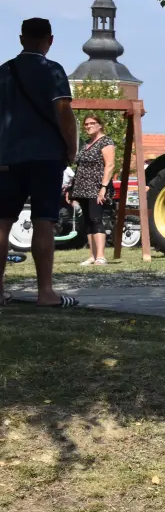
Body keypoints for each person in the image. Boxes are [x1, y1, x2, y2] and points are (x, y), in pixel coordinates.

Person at [0, 18, 79, 307]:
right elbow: (64, 113)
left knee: (2, 224)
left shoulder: (3, 72)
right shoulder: (53, 70)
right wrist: (71, 148)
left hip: (7, 157)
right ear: (50, 40)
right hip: (46, 157)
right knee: (43, 222)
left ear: (21, 39)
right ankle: (45, 292)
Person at [68, 115, 116, 265]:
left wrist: (103, 188)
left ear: (100, 125)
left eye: (92, 123)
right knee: (87, 221)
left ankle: (101, 255)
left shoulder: (106, 141)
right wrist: (71, 188)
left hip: (96, 187)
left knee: (96, 219)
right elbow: (79, 167)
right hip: (82, 187)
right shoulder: (86, 143)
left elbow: (110, 165)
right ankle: (92, 255)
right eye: (86, 124)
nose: (88, 126)